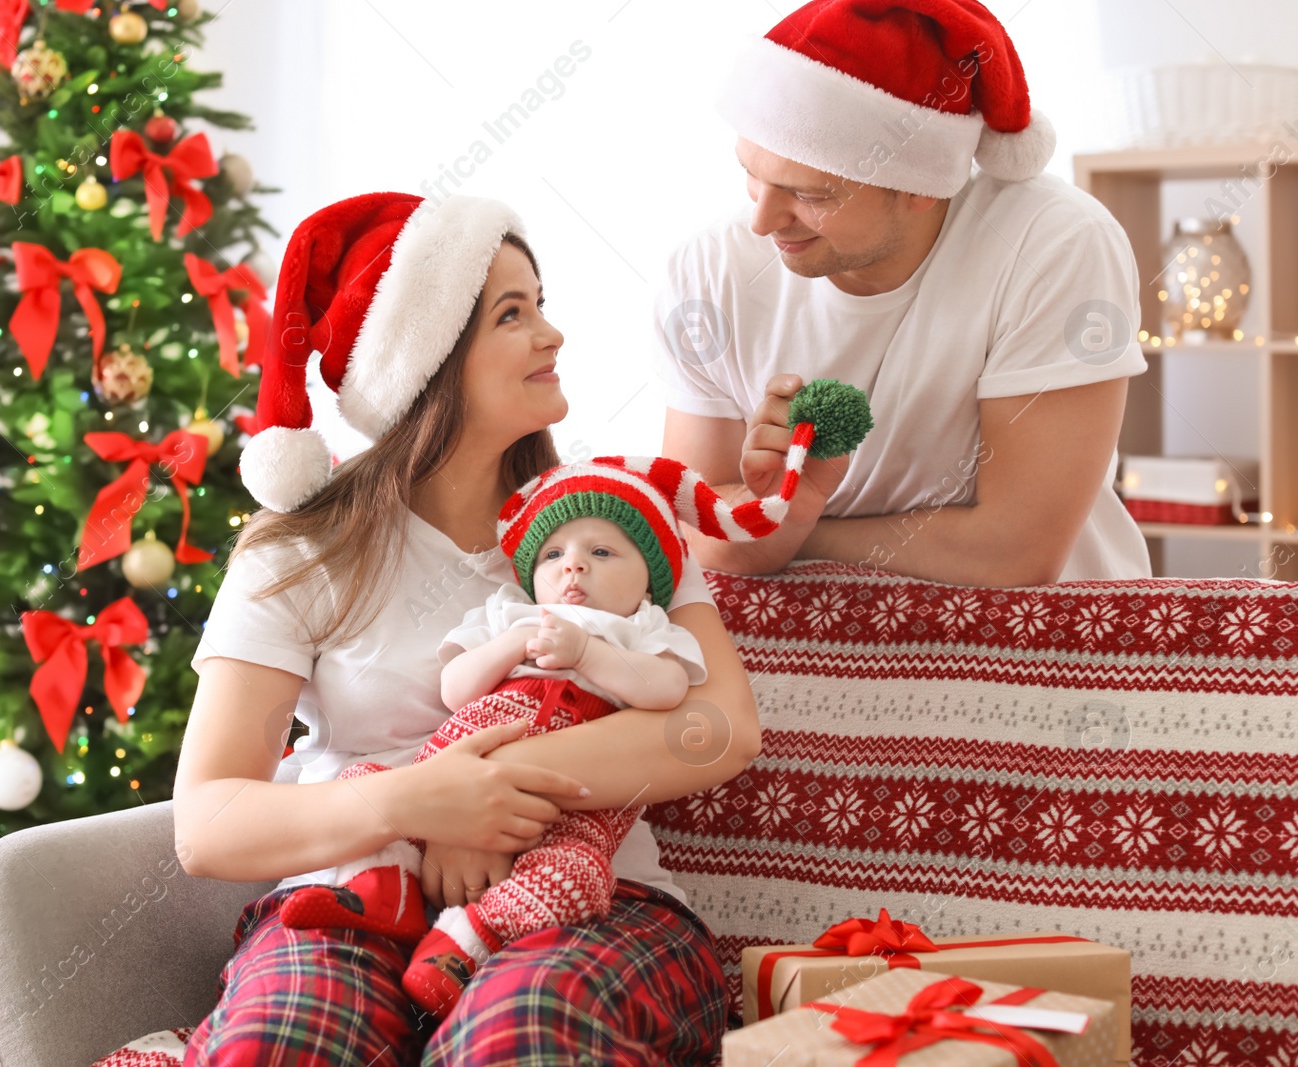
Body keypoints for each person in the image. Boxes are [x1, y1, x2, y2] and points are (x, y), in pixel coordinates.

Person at [173, 191, 757, 1066]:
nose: (552, 336)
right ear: (427, 362)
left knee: (522, 1036)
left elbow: (722, 728)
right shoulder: (300, 550)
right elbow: (210, 822)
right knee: (278, 1044)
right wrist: (409, 802)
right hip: (351, 902)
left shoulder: (608, 523)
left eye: (542, 304)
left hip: (587, 902)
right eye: (511, 315)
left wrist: (488, 790)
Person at [276, 454, 811, 1023]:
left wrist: (588, 654)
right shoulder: (509, 613)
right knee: (367, 786)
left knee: (572, 875)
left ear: (650, 579)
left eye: (601, 553)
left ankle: (465, 941)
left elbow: (667, 689)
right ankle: (384, 892)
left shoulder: (644, 627)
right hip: (444, 776)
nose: (573, 567)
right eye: (554, 556)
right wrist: (511, 644)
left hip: (571, 812)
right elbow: (457, 688)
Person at [656, 0, 1152, 587]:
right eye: (752, 174)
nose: (762, 222)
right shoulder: (708, 268)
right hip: (803, 651)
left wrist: (791, 526)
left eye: (810, 194)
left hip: (1041, 649)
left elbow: (1015, 554)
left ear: (920, 186)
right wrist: (773, 512)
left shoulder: (1056, 245)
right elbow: (689, 532)